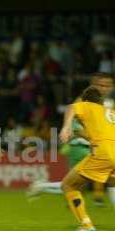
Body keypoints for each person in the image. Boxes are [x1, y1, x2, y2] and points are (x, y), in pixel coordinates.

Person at [27, 72, 115, 206]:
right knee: (75, 184)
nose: (104, 88)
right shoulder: (85, 101)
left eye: (108, 86)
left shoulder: (108, 104)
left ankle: (42, 186)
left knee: (97, 183)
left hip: (100, 149)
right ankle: (42, 186)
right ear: (94, 85)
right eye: (101, 85)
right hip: (81, 147)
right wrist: (69, 129)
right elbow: (76, 127)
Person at [59, 85, 115, 231]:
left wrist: (66, 126)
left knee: (68, 185)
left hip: (104, 153)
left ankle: (86, 225)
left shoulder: (88, 105)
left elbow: (71, 108)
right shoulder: (110, 113)